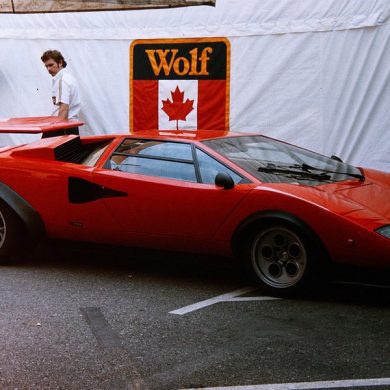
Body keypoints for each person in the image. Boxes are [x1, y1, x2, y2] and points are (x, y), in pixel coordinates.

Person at [41, 49, 81, 136]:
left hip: (62, 127)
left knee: (41, 149)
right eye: (46, 66)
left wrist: (58, 131)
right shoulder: (69, 78)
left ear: (60, 63)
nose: (49, 69)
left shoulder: (63, 80)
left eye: (51, 65)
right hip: (70, 126)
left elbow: (64, 108)